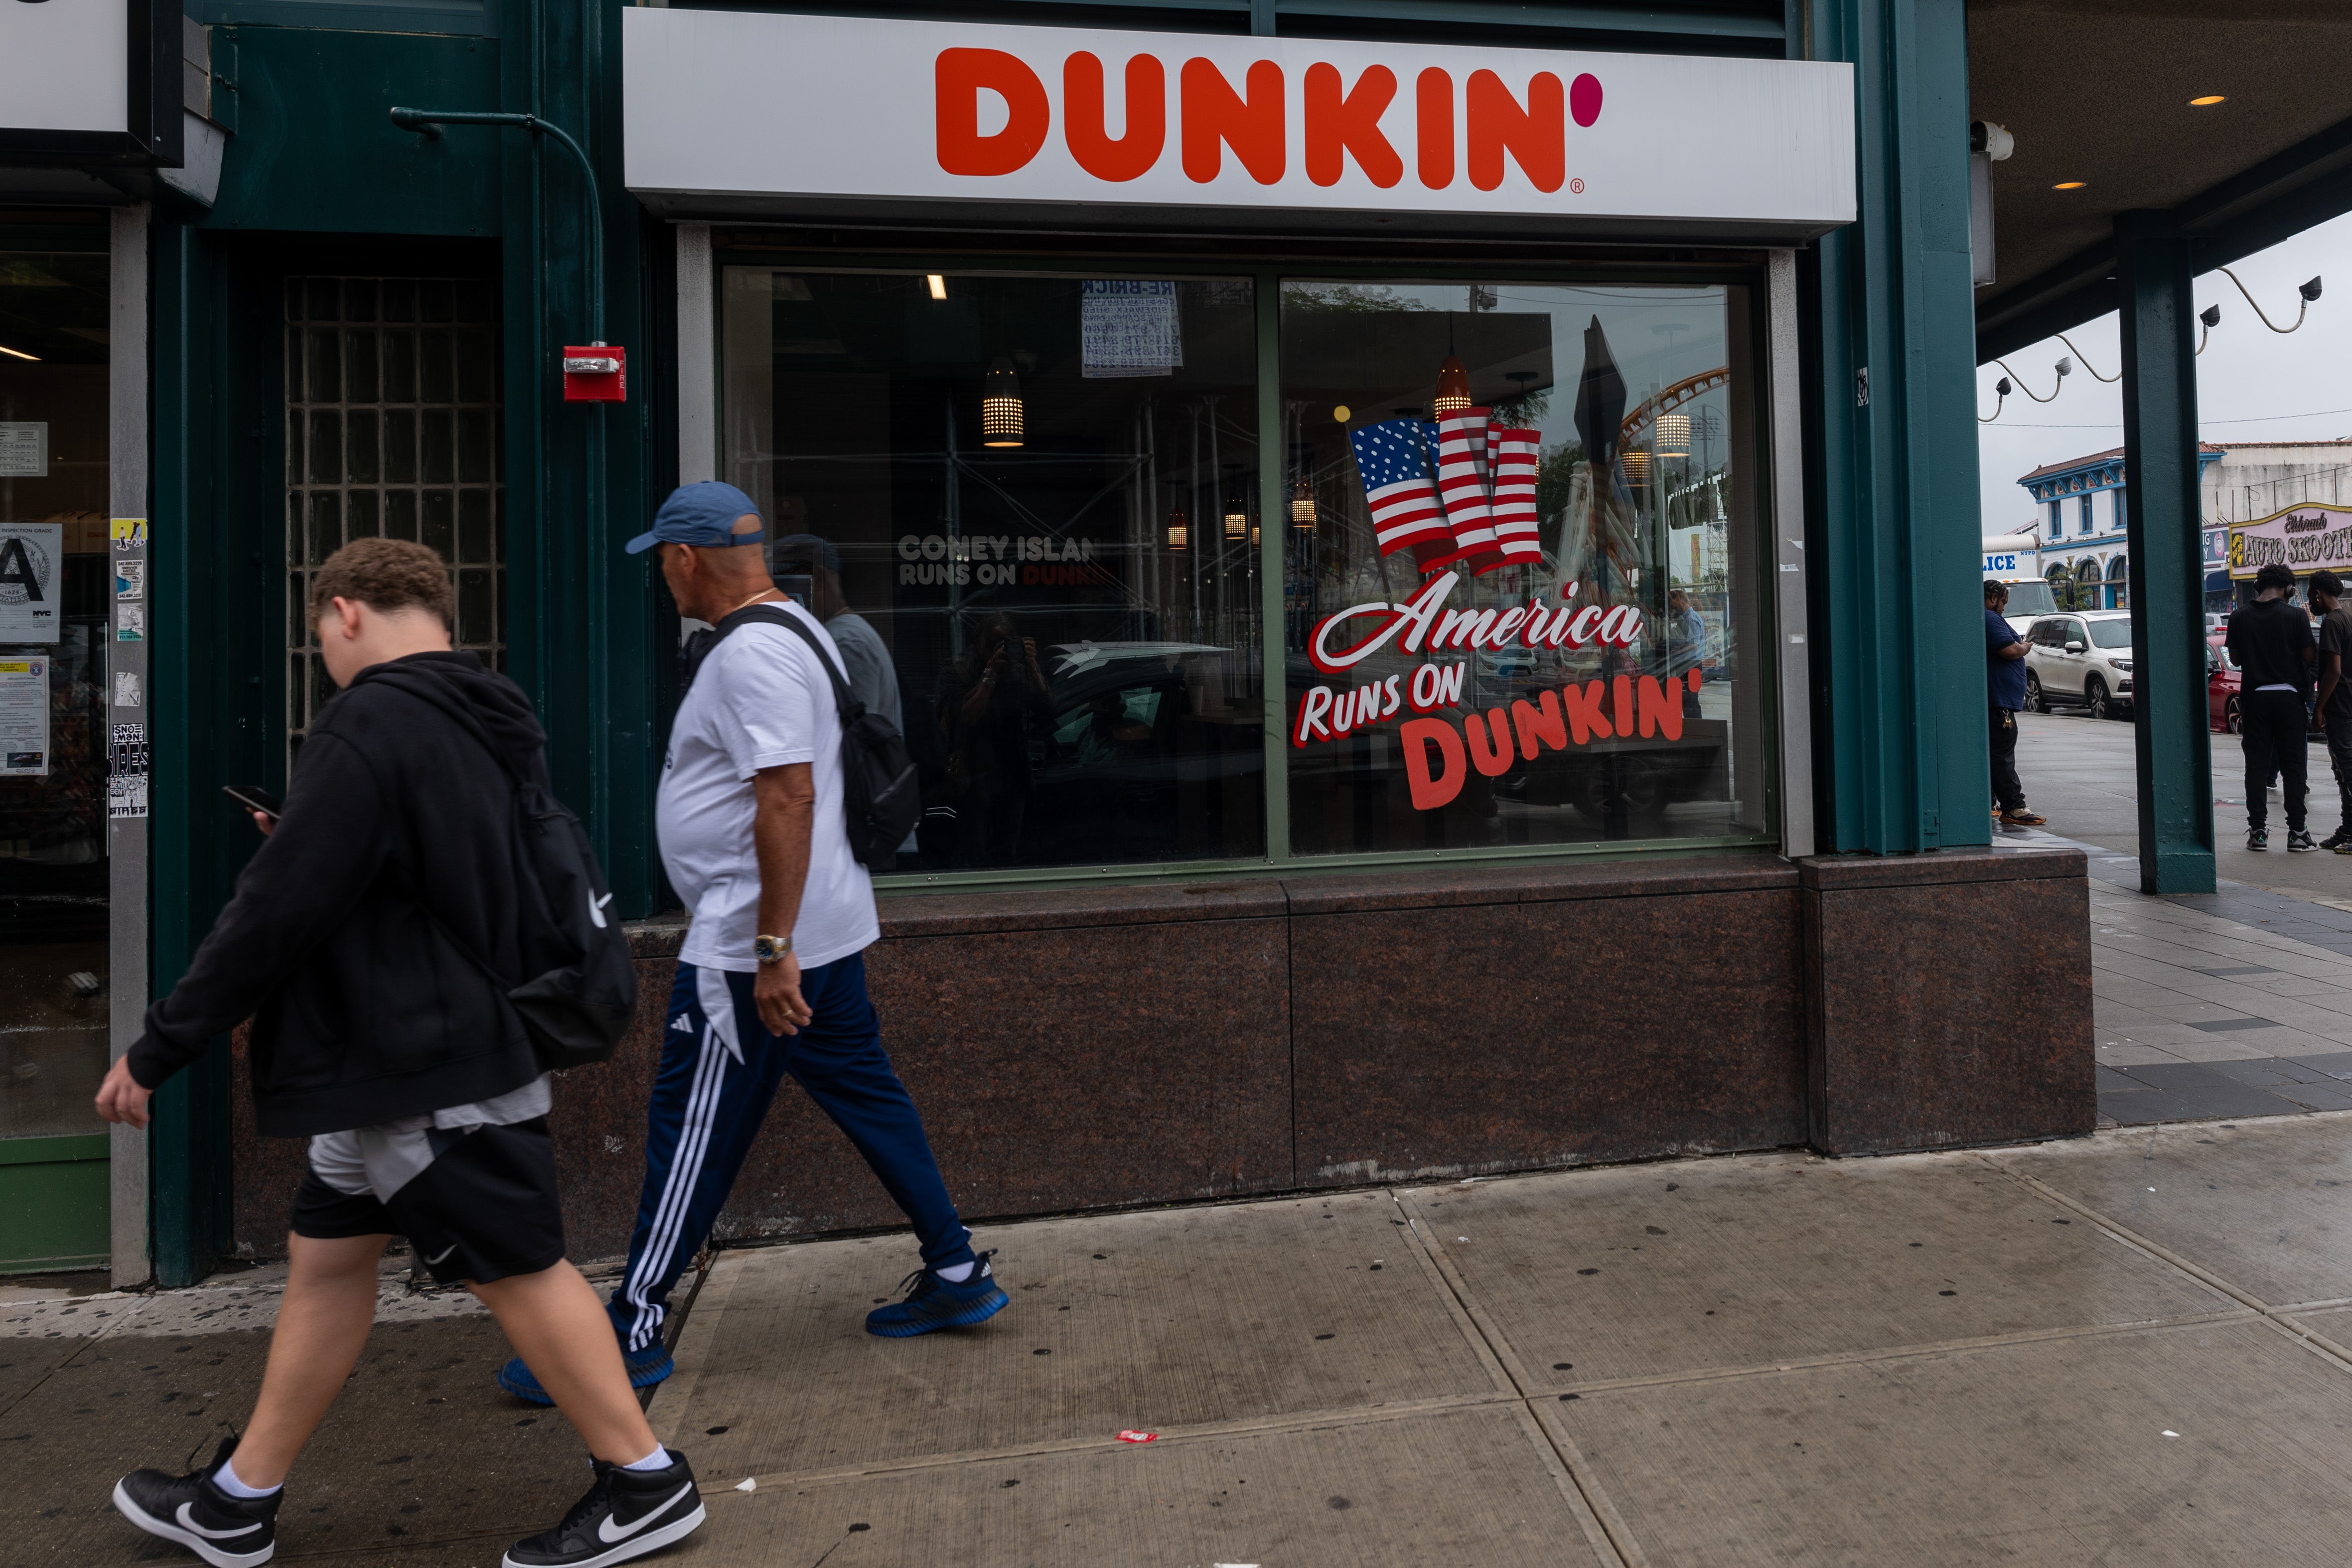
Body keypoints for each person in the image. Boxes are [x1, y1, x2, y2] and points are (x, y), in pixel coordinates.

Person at [96, 539, 703, 1568]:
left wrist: (161, 1047)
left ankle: (647, 1483)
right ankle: (239, 1500)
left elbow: (271, 911)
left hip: (428, 1060)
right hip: (419, 1053)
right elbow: (448, 865)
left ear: (343, 613)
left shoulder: (367, 723)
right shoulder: (487, 710)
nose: (324, 655)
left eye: (320, 637)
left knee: (523, 1269)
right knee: (328, 1262)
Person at [496, 483, 1005, 1408]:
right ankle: (958, 1271)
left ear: (687, 559)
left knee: (688, 1127)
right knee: (870, 1100)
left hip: (752, 949)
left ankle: (631, 1327)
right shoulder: (797, 628)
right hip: (822, 929)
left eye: (662, 561)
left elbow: (789, 796)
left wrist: (772, 946)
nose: (661, 578)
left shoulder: (752, 655)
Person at [933, 613, 1054, 867]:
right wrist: (990, 674)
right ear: (978, 644)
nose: (1001, 650)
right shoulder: (957, 673)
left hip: (1011, 778)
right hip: (971, 779)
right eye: (994, 644)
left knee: (1006, 857)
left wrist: (1033, 668)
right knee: (973, 857)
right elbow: (966, 716)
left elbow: (1048, 713)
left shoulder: (1018, 672)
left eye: (1007, 643)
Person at [2226, 562, 2318, 852]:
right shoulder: (2295, 616)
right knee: (2293, 768)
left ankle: (2258, 832)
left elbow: (2237, 659)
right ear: (2290, 589)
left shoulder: (2238, 617)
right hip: (2289, 699)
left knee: (2256, 766)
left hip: (2254, 699)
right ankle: (2298, 834)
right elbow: (2308, 655)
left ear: (2257, 587)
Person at [1985, 580, 2045, 828]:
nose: (2003, 609)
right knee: (2003, 755)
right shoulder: (1989, 618)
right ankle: (2014, 807)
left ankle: (1990, 803)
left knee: (1994, 754)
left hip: (1998, 700)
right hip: (1999, 703)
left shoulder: (1987, 618)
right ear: (1993, 597)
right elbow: (2010, 651)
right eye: (2003, 602)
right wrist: (2025, 647)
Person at [2309, 569, 2352, 852]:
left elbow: (2333, 670)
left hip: (2340, 707)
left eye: (2312, 595)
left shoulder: (2332, 623)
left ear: (2319, 595)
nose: (2311, 601)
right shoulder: (2347, 617)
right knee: (2342, 770)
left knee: (2347, 770)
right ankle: (2347, 828)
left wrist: (2319, 708)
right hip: (2348, 705)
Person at [1665, 587, 1706, 719]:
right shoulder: (1689, 617)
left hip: (1691, 664)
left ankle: (1695, 727)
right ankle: (1694, 726)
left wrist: (1680, 650)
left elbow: (1694, 644)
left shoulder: (1691, 618)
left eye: (1674, 606)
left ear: (1681, 603)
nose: (1673, 609)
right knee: (1688, 698)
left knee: (1691, 699)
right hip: (1690, 664)